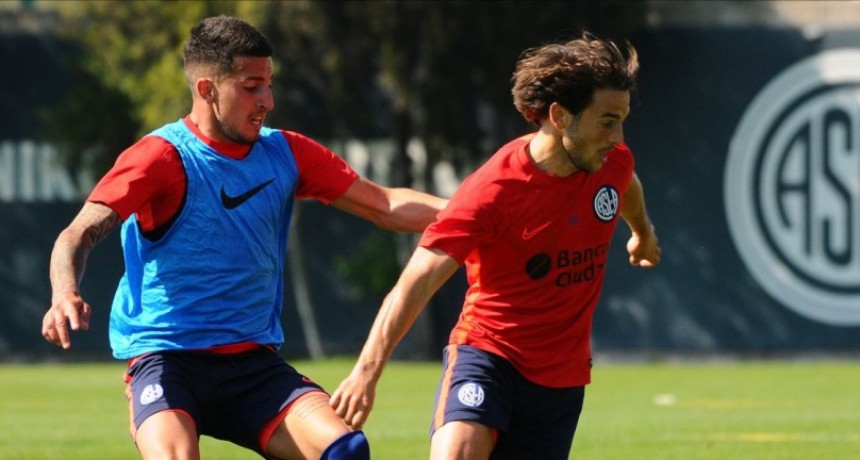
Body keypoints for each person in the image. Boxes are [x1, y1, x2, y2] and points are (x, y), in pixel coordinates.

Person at [41, 15, 446, 460]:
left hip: (252, 364)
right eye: (251, 86)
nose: (267, 100)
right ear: (207, 90)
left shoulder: (286, 152)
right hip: (168, 359)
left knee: (345, 450)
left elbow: (384, 205)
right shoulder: (160, 157)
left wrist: (475, 212)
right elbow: (76, 233)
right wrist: (64, 292)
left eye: (269, 84)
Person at [330, 33, 661, 459]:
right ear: (560, 116)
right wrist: (366, 373)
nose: (618, 136)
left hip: (561, 376)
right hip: (488, 353)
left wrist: (643, 233)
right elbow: (416, 281)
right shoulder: (492, 191)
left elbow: (627, 184)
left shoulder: (611, 161)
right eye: (607, 120)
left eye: (622, 120)